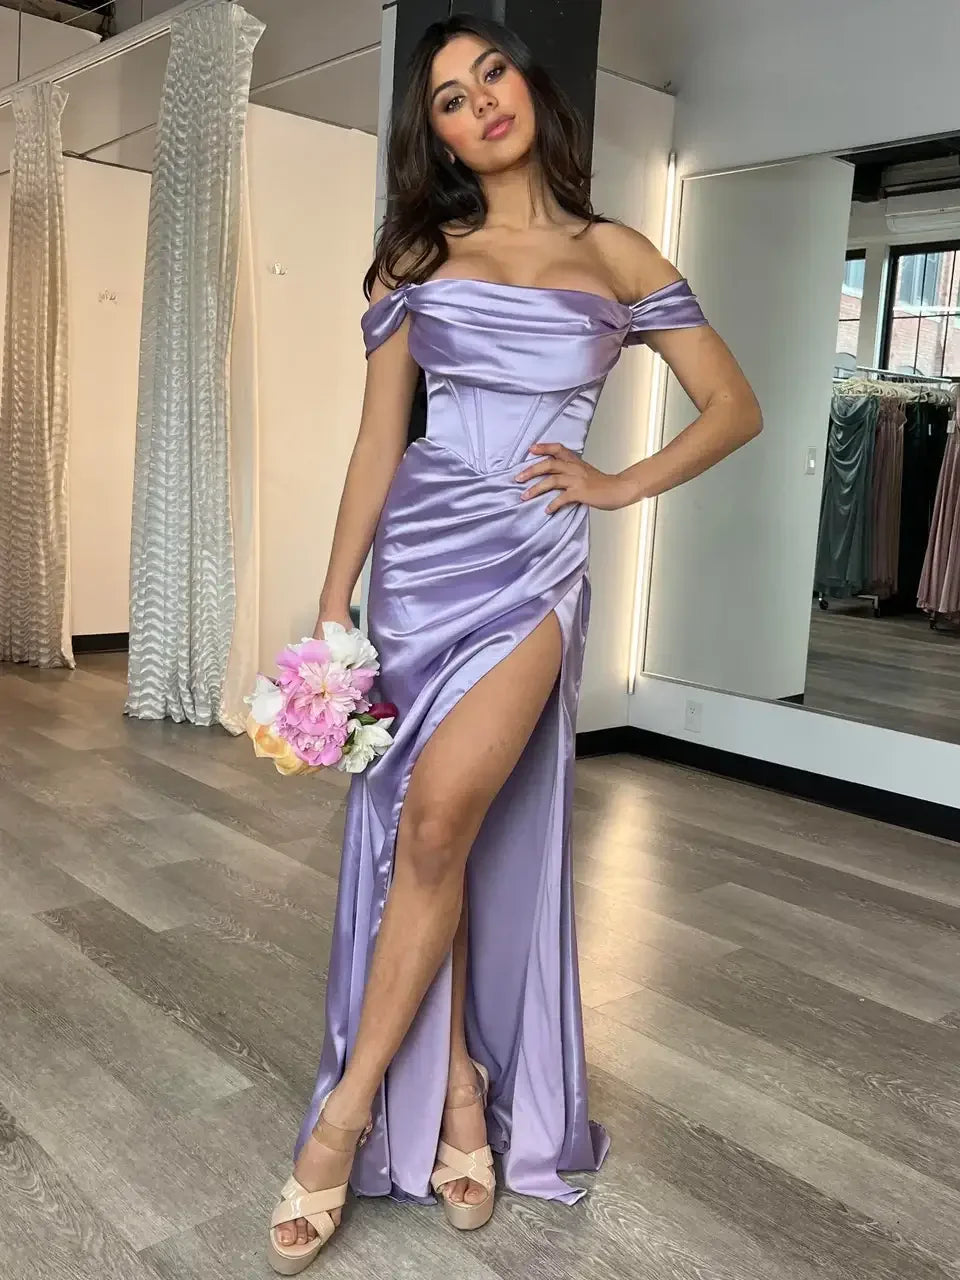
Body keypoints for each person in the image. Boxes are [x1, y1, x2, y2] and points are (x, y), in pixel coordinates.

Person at [268, 13, 761, 1273]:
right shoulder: (416, 257)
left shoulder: (616, 251)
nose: (480, 101)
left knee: (439, 820)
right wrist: (334, 602)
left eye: (492, 73)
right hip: (419, 562)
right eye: (449, 96)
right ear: (434, 135)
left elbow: (734, 405)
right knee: (436, 836)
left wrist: (615, 483)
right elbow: (379, 441)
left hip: (533, 568)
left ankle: (342, 1118)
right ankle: (460, 1091)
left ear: (529, 86)